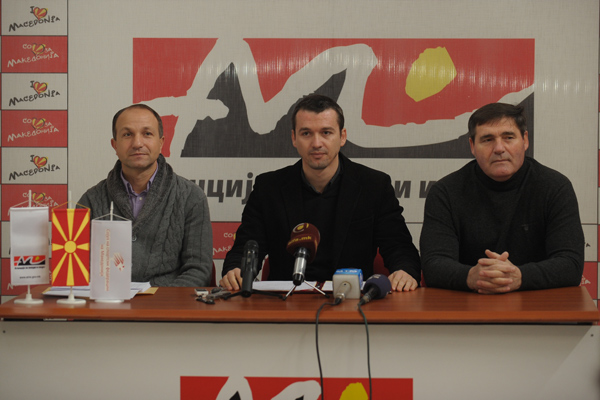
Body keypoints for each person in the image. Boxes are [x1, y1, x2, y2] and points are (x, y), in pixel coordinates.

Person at [220, 94, 421, 291]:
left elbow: (399, 247)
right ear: (294, 138)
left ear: (342, 137)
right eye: (306, 133)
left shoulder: (374, 186)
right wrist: (235, 270)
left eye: (326, 132)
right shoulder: (268, 188)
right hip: (285, 302)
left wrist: (404, 271)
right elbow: (246, 246)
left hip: (353, 301)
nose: (316, 143)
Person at [420, 102, 584, 294]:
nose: (499, 148)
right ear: (472, 146)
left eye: (508, 137)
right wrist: (471, 276)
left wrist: (519, 276)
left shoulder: (555, 187)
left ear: (525, 140)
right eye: (487, 139)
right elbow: (433, 265)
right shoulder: (445, 193)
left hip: (537, 304)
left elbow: (570, 264)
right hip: (468, 304)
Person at [78, 104, 213, 286]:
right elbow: (77, 267)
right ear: (114, 145)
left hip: (167, 301)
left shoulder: (191, 197)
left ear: (161, 142)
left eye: (147, 134)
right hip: (108, 301)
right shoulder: (90, 201)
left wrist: (159, 301)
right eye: (127, 134)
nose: (137, 143)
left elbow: (198, 270)